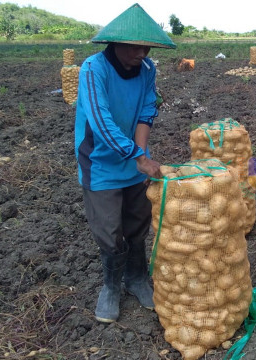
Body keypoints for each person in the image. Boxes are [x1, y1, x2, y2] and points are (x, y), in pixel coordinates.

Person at [74, 3, 176, 323]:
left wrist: (139, 160)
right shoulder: (94, 69)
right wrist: (139, 158)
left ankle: (135, 278)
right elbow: (102, 124)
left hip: (132, 159)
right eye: (135, 46)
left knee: (137, 222)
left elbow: (147, 112)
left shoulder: (147, 71)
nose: (142, 53)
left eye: (147, 47)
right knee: (109, 230)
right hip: (100, 162)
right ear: (115, 42)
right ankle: (111, 286)